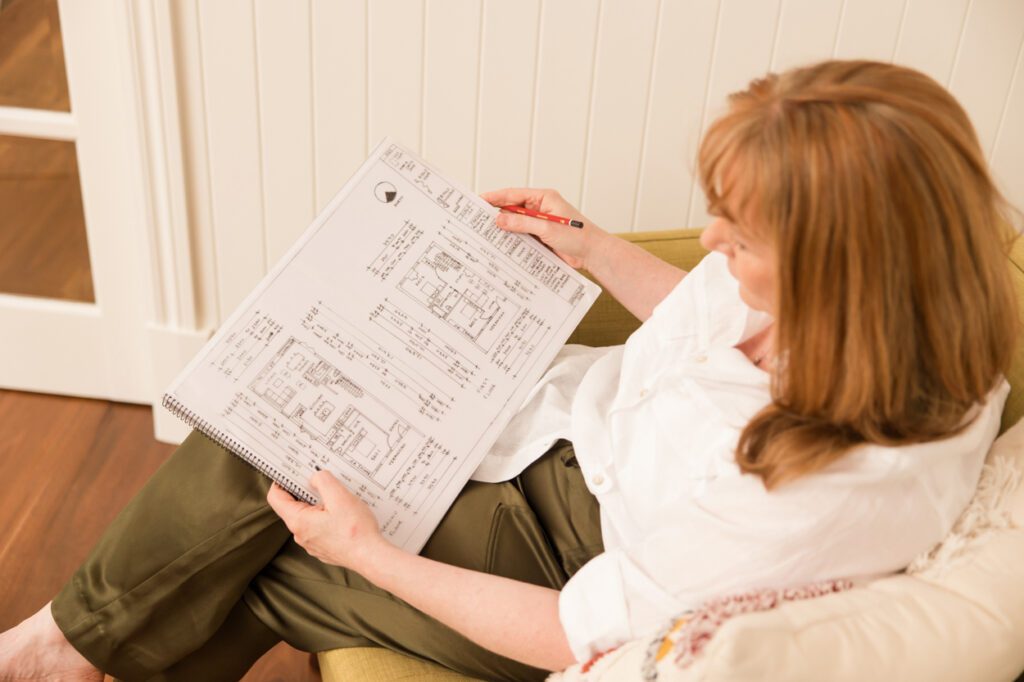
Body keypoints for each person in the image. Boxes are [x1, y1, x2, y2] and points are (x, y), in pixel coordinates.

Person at [1, 58, 1018, 681]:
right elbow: (705, 334)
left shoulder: (829, 489)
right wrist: (589, 245)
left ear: (843, 275)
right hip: (572, 421)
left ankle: (56, 649)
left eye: (741, 237)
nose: (708, 240)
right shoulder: (883, 300)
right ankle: (72, 650)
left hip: (573, 555)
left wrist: (371, 555)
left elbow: (577, 629)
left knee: (276, 508)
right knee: (280, 412)